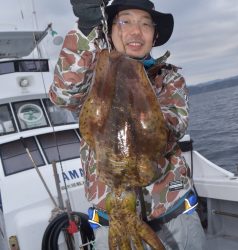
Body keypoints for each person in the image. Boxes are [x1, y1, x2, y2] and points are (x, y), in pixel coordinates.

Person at [49, 0, 206, 249]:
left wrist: (139, 88)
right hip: (111, 221)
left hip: (176, 221)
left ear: (154, 35)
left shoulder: (169, 78)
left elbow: (173, 127)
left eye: (145, 24)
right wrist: (88, 28)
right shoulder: (93, 79)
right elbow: (63, 94)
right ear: (109, 30)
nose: (135, 31)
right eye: (125, 21)